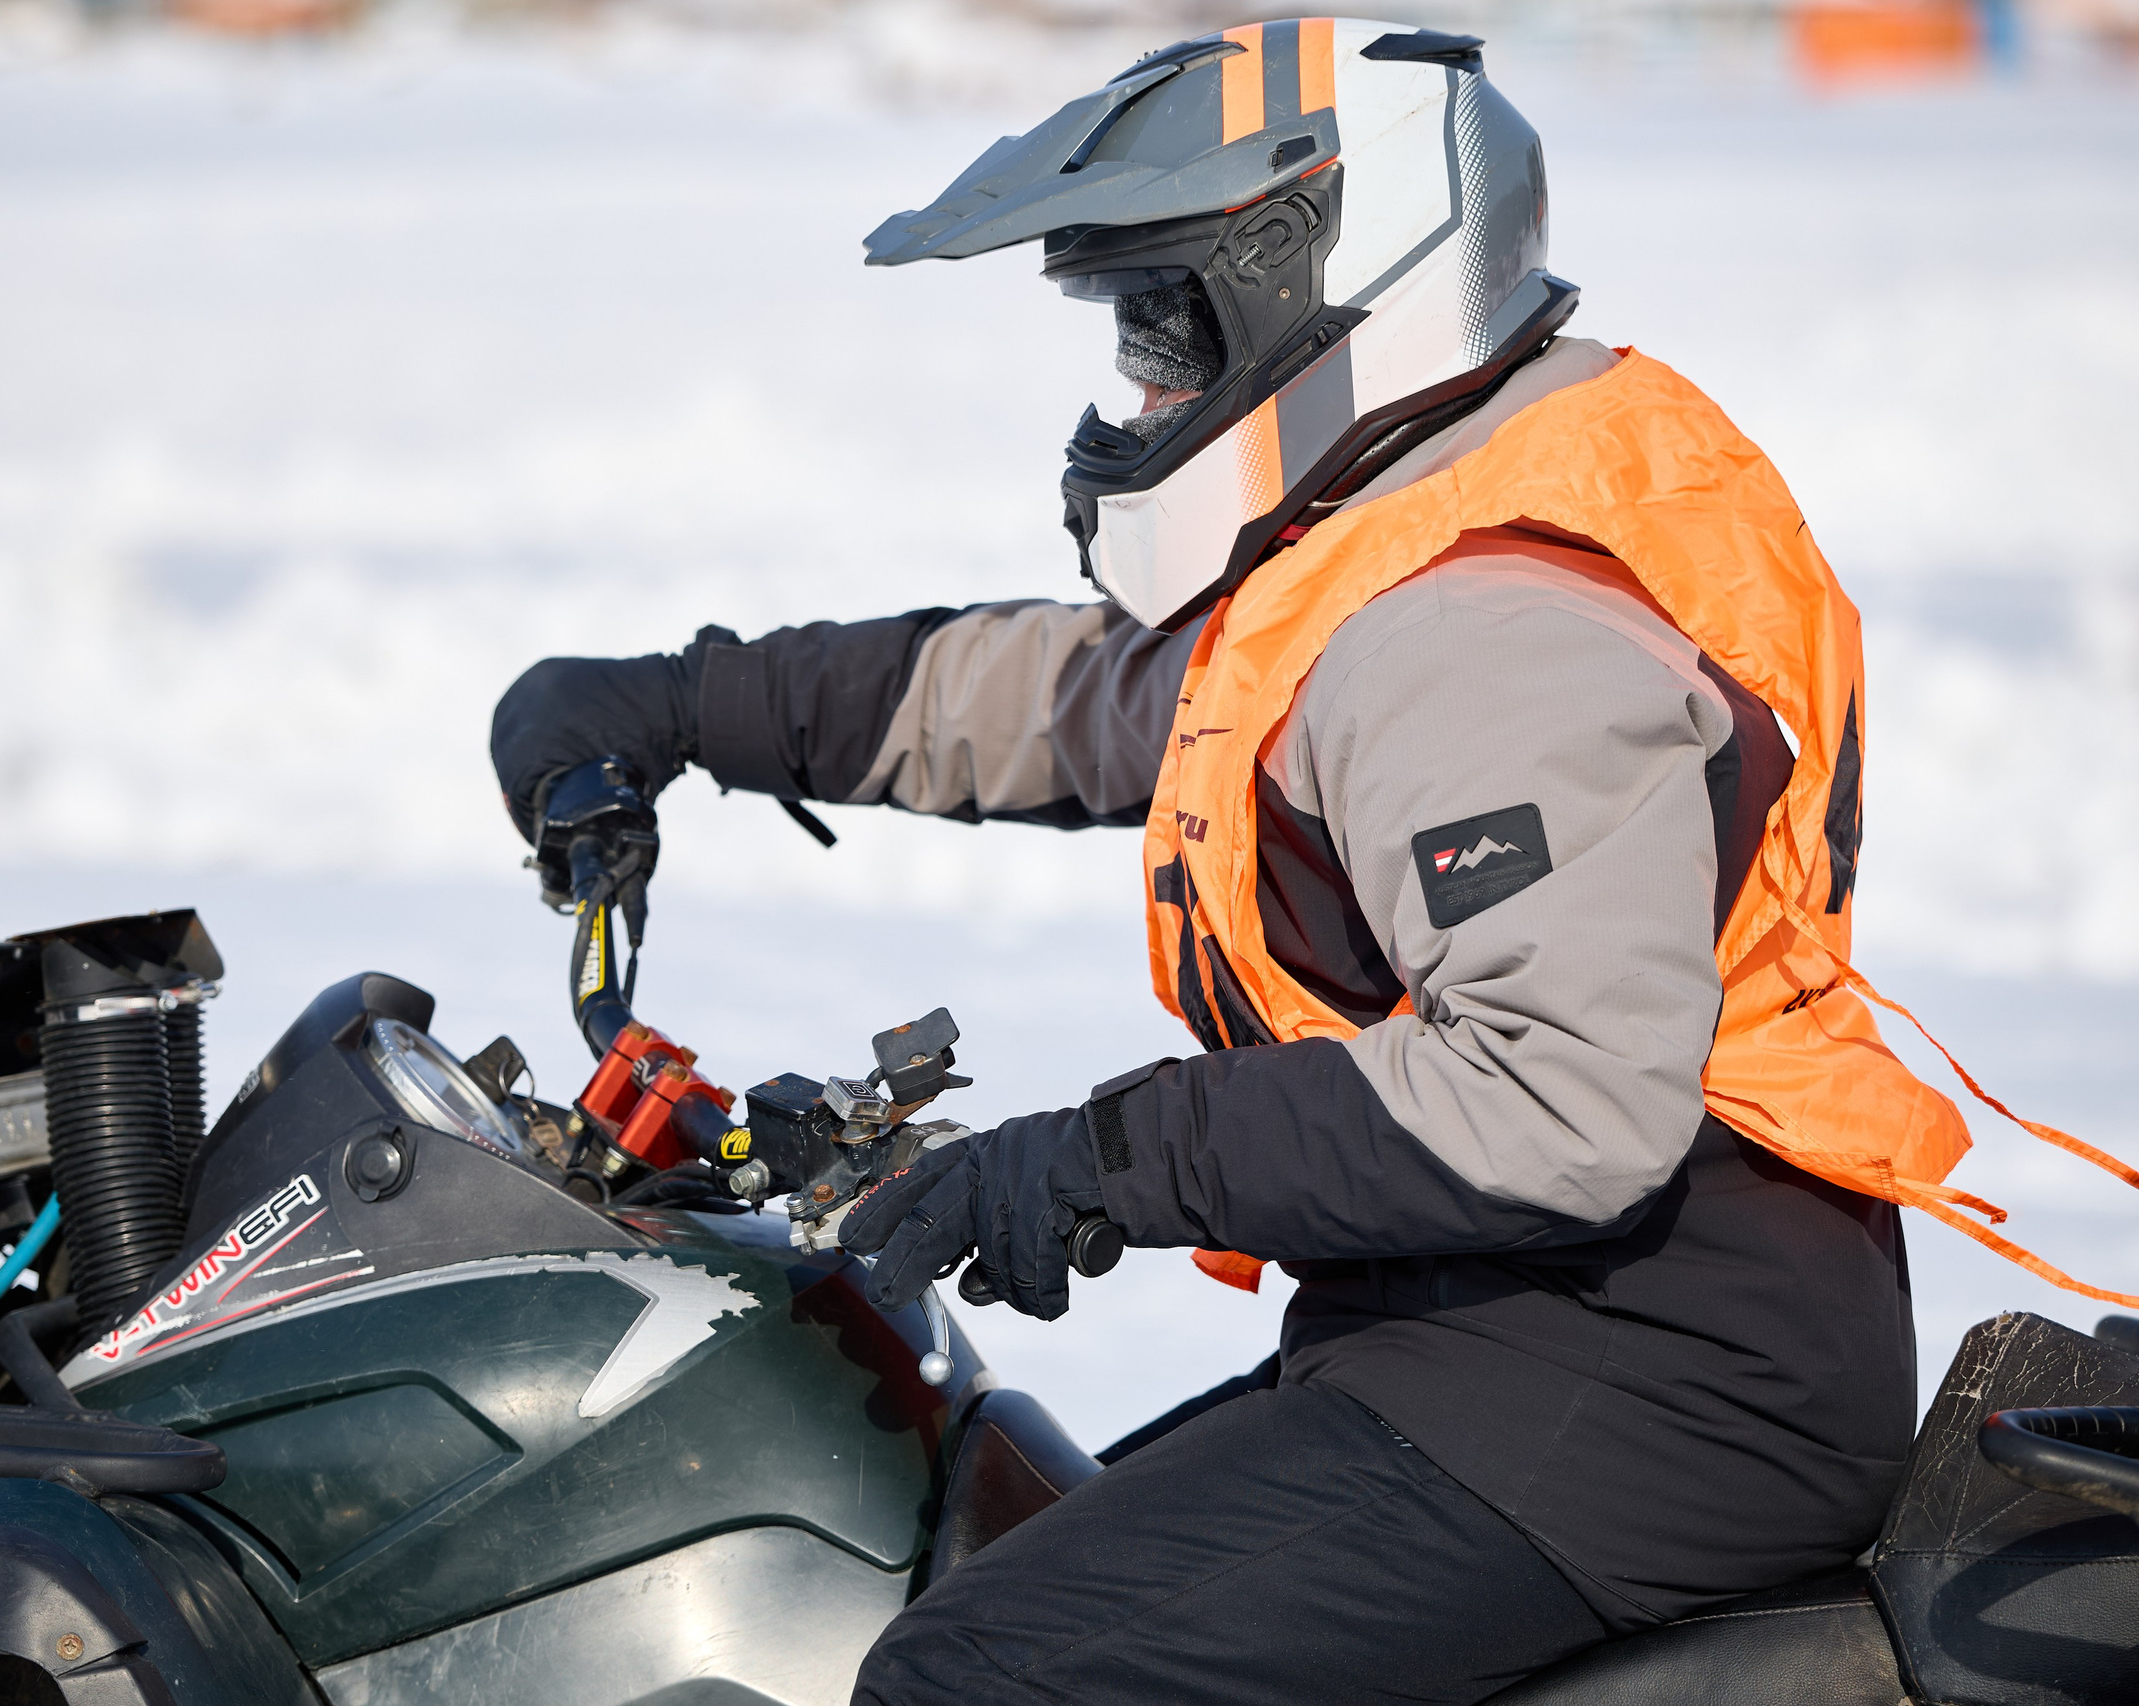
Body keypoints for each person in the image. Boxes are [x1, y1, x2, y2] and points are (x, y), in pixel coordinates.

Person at [490, 20, 1979, 1704]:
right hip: (1499, 1336)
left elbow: (1561, 1099)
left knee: (977, 1678)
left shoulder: (1480, 630)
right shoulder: (1399, 526)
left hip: (1645, 1380)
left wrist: (1101, 1159)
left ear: (1335, 294)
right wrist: (691, 704)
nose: (1135, 394)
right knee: (984, 1521)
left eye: (1166, 328)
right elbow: (1078, 701)